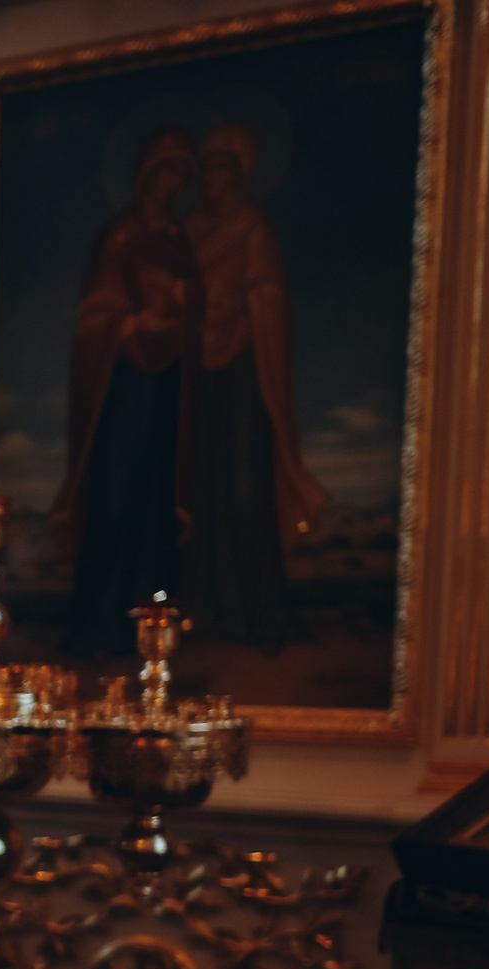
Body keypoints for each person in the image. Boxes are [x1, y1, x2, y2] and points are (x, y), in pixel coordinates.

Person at [57, 126, 203, 656]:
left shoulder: (178, 241)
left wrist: (184, 302)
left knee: (155, 503)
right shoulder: (120, 237)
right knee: (116, 498)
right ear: (146, 174)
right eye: (167, 171)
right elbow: (95, 317)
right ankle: (100, 623)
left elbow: (196, 309)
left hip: (166, 390)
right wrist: (135, 322)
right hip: (122, 392)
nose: (173, 183)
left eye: (181, 174)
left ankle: (152, 629)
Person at [178, 121, 323, 653]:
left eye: (221, 167)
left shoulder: (253, 228)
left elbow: (267, 300)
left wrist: (236, 311)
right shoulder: (186, 231)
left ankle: (258, 611)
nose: (211, 178)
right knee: (200, 489)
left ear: (239, 173)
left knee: (244, 487)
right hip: (195, 370)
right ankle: (208, 608)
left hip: (242, 365)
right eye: (206, 168)